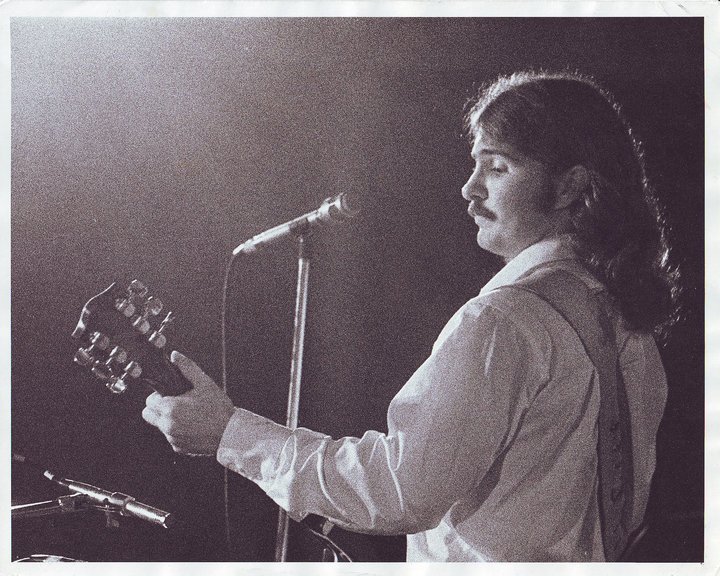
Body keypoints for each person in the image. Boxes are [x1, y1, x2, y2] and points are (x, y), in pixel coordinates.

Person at [141, 70, 680, 561]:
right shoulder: (629, 328)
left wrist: (230, 433)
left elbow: (398, 491)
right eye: (475, 165)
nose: (469, 189)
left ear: (570, 188)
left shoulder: (504, 322)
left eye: (497, 168)